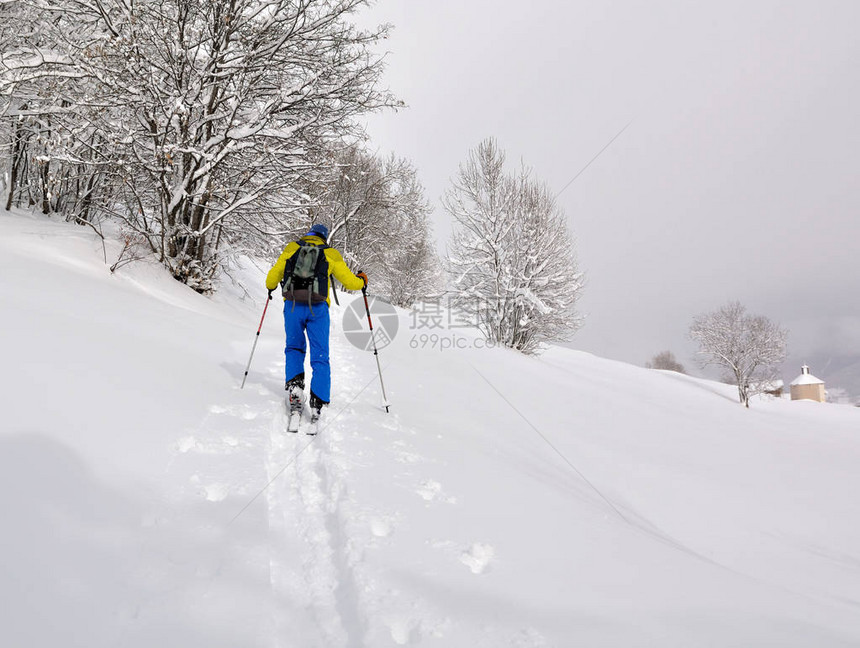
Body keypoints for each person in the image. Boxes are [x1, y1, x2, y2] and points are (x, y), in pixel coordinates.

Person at [266, 224, 368, 420]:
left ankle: (295, 388)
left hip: (293, 307)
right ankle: (318, 399)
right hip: (318, 310)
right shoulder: (330, 253)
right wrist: (362, 280)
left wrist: (271, 287)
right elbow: (350, 282)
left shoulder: (292, 248)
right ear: (324, 237)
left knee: (294, 347)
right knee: (320, 353)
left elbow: (271, 279)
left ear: (309, 234)